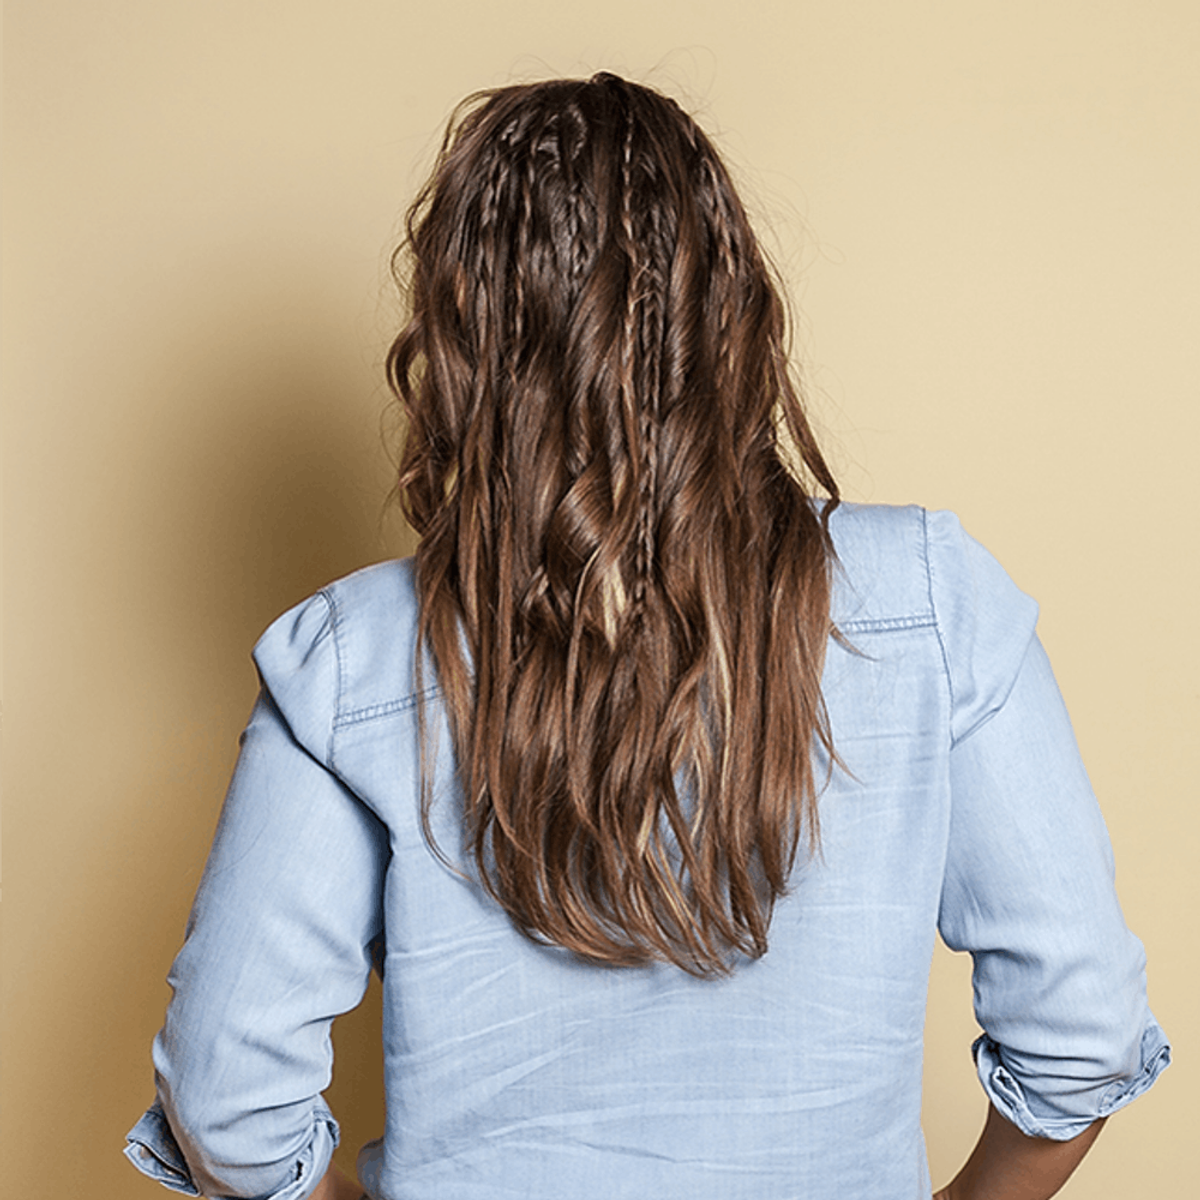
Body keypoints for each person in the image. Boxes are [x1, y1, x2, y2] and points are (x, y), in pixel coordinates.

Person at [124, 73, 1168, 1200]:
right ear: (736, 312)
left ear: (462, 348)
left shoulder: (354, 660)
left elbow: (227, 1099)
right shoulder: (928, 603)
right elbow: (1083, 1033)